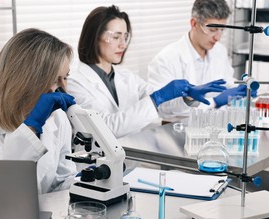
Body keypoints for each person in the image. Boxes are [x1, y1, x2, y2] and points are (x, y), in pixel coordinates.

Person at [0, 28, 78, 194]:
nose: (63, 87)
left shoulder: (57, 118)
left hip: (49, 217)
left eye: (65, 77)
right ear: (26, 80)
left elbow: (62, 182)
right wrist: (31, 127)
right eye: (54, 79)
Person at [68, 5, 226, 138]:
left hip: (134, 159)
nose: (123, 45)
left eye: (125, 37)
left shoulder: (127, 77)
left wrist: (188, 98)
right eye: (116, 37)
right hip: (97, 166)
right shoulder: (75, 84)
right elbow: (108, 127)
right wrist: (157, 97)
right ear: (94, 37)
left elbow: (164, 108)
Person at [148, 0, 257, 119]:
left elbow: (225, 81)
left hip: (212, 125)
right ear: (194, 24)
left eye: (222, 30)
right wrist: (214, 101)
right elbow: (163, 108)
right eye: (213, 30)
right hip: (176, 128)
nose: (218, 37)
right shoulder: (165, 60)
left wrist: (240, 89)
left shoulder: (219, 51)